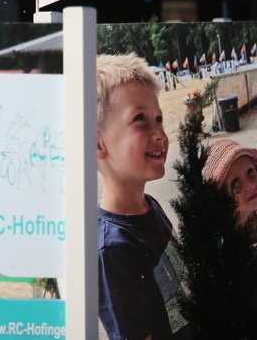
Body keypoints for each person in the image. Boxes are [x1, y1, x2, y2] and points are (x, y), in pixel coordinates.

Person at [96, 54, 191, 339]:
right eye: (140, 119)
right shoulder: (113, 249)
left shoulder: (150, 206)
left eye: (158, 118)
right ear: (98, 144)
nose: (160, 133)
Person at [202, 138, 257, 231]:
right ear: (220, 195)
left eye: (250, 171)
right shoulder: (218, 242)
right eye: (235, 181)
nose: (250, 184)